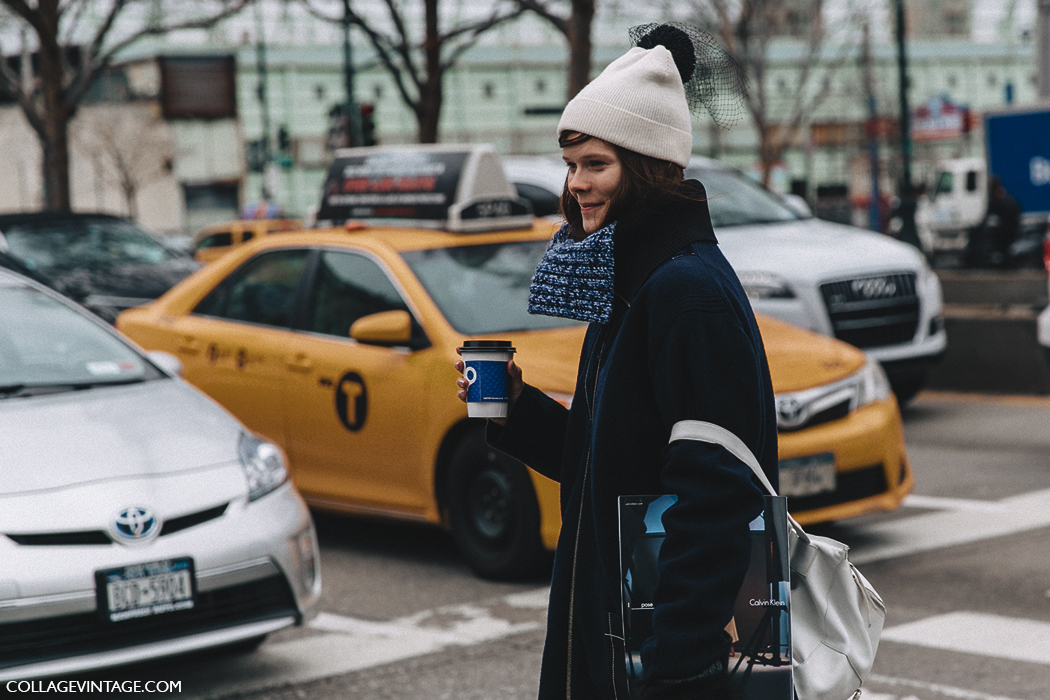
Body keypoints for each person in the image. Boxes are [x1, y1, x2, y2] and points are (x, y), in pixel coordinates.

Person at [455, 23, 779, 700]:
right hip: (610, 637)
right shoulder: (633, 283)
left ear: (649, 165)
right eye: (571, 166)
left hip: (656, 663)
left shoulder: (685, 293)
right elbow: (614, 464)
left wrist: (679, 668)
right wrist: (517, 410)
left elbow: (718, 497)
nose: (576, 186)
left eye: (595, 165)